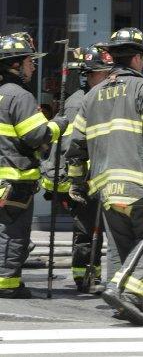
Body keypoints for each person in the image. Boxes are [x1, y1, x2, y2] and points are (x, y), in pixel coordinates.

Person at [65, 27, 143, 325]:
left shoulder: (91, 96)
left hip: (106, 189)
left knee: (120, 243)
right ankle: (130, 294)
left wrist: (77, 182)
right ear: (137, 59)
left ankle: (119, 299)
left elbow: (75, 146)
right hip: (142, 185)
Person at [40, 45, 114, 292]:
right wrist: (77, 182)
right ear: (91, 74)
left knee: (94, 228)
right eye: (104, 73)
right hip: (76, 179)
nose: (109, 77)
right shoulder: (78, 103)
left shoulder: (94, 97)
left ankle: (91, 274)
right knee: (86, 229)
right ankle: (84, 278)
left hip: (91, 176)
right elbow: (71, 148)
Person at [0, 34, 68, 298]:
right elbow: (35, 136)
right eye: (30, 61)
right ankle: (7, 285)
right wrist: (58, 124)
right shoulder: (20, 95)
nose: (33, 66)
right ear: (16, 64)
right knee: (13, 233)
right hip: (15, 179)